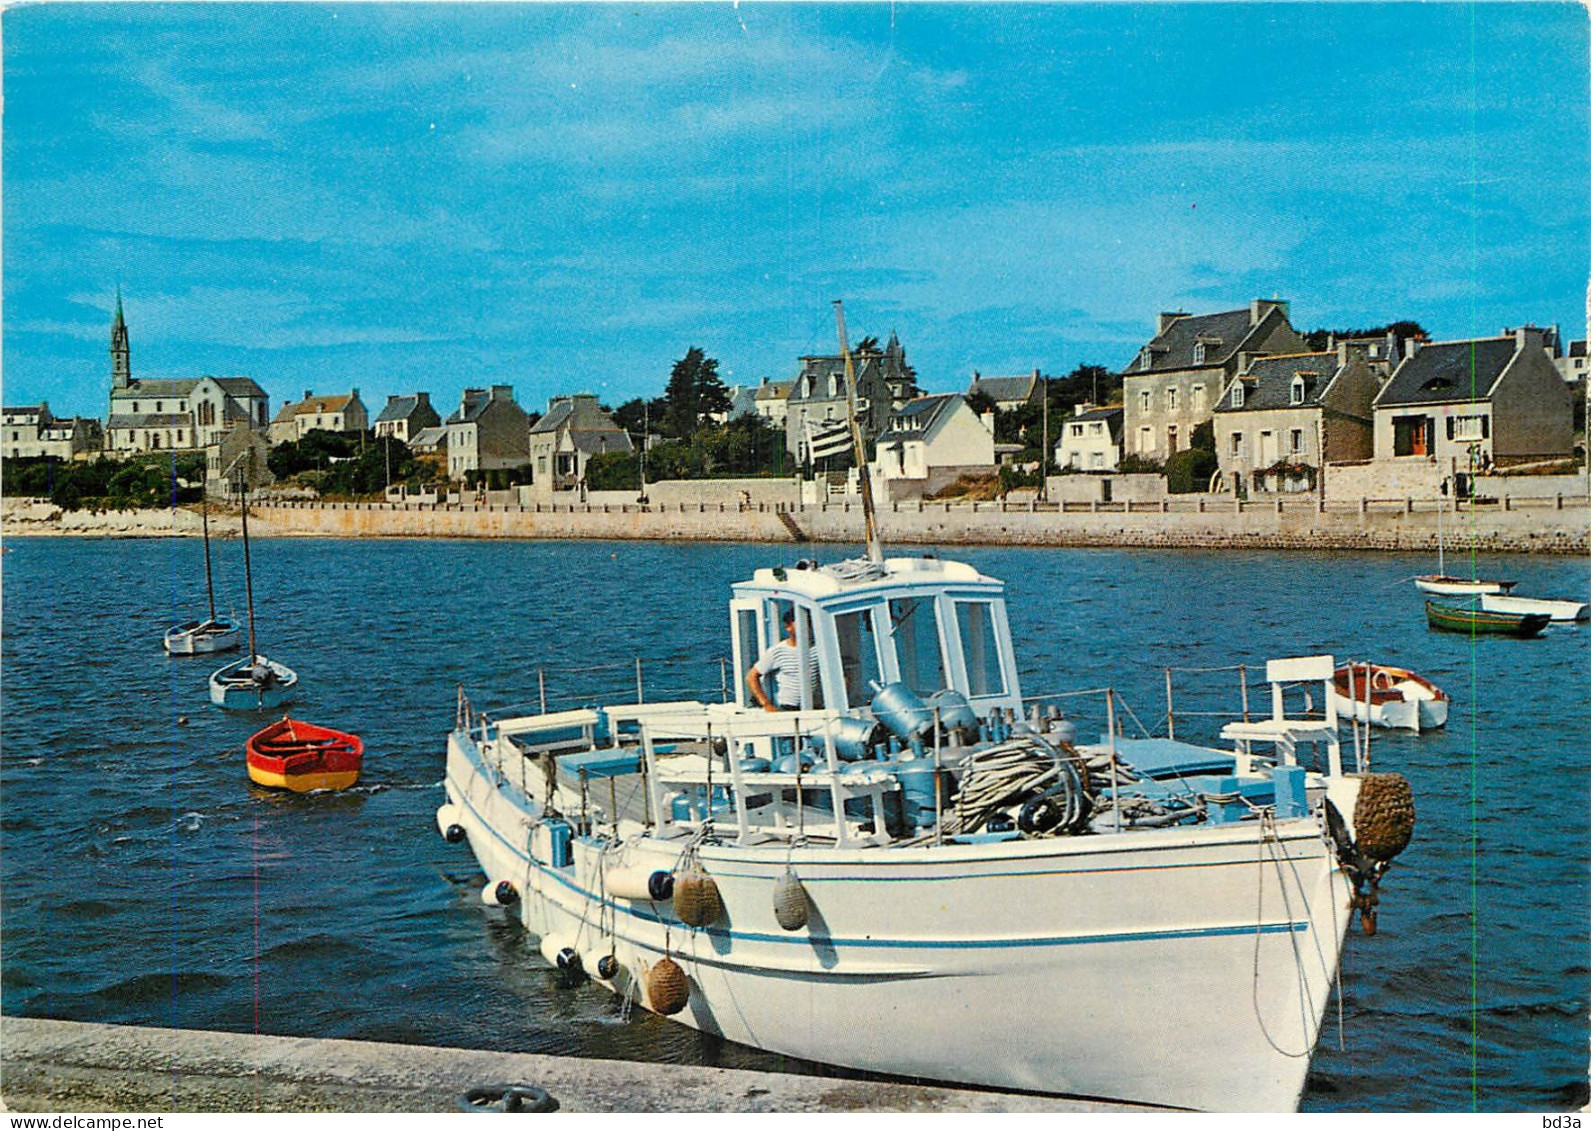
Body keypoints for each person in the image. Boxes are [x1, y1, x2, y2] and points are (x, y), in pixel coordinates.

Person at [747, 609, 820, 712]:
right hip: (789, 708)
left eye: (808, 623)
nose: (805, 627)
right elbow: (751, 676)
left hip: (816, 708)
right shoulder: (778, 651)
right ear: (788, 627)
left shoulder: (818, 649)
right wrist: (766, 704)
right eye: (801, 623)